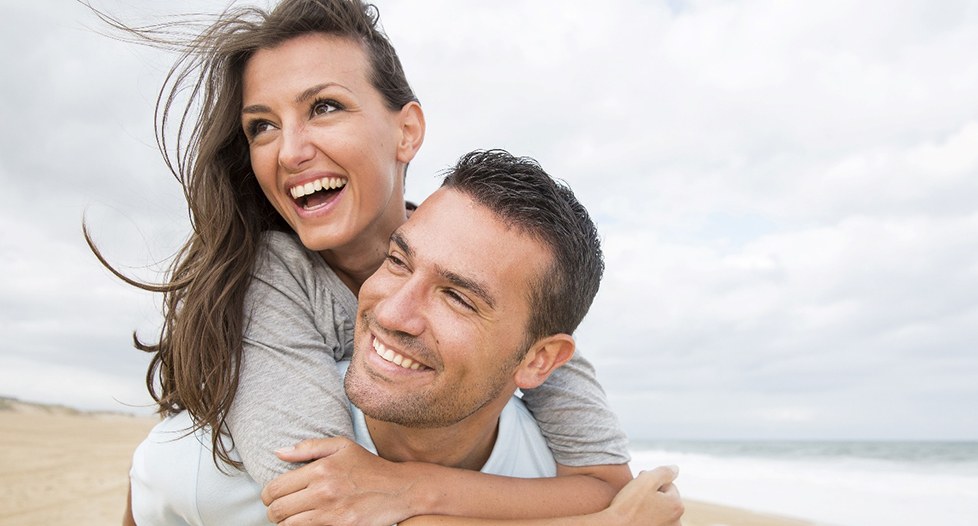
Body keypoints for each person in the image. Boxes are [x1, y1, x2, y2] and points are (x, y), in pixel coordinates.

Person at [85, 0, 672, 523]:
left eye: (324, 107)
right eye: (261, 126)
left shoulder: (497, 268)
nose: (289, 151)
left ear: (407, 131)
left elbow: (602, 480)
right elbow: (327, 503)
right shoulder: (268, 280)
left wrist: (411, 485)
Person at [131, 150, 684, 526]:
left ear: (542, 361)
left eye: (459, 297)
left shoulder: (555, 482)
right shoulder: (211, 464)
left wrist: (413, 489)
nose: (393, 313)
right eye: (397, 261)